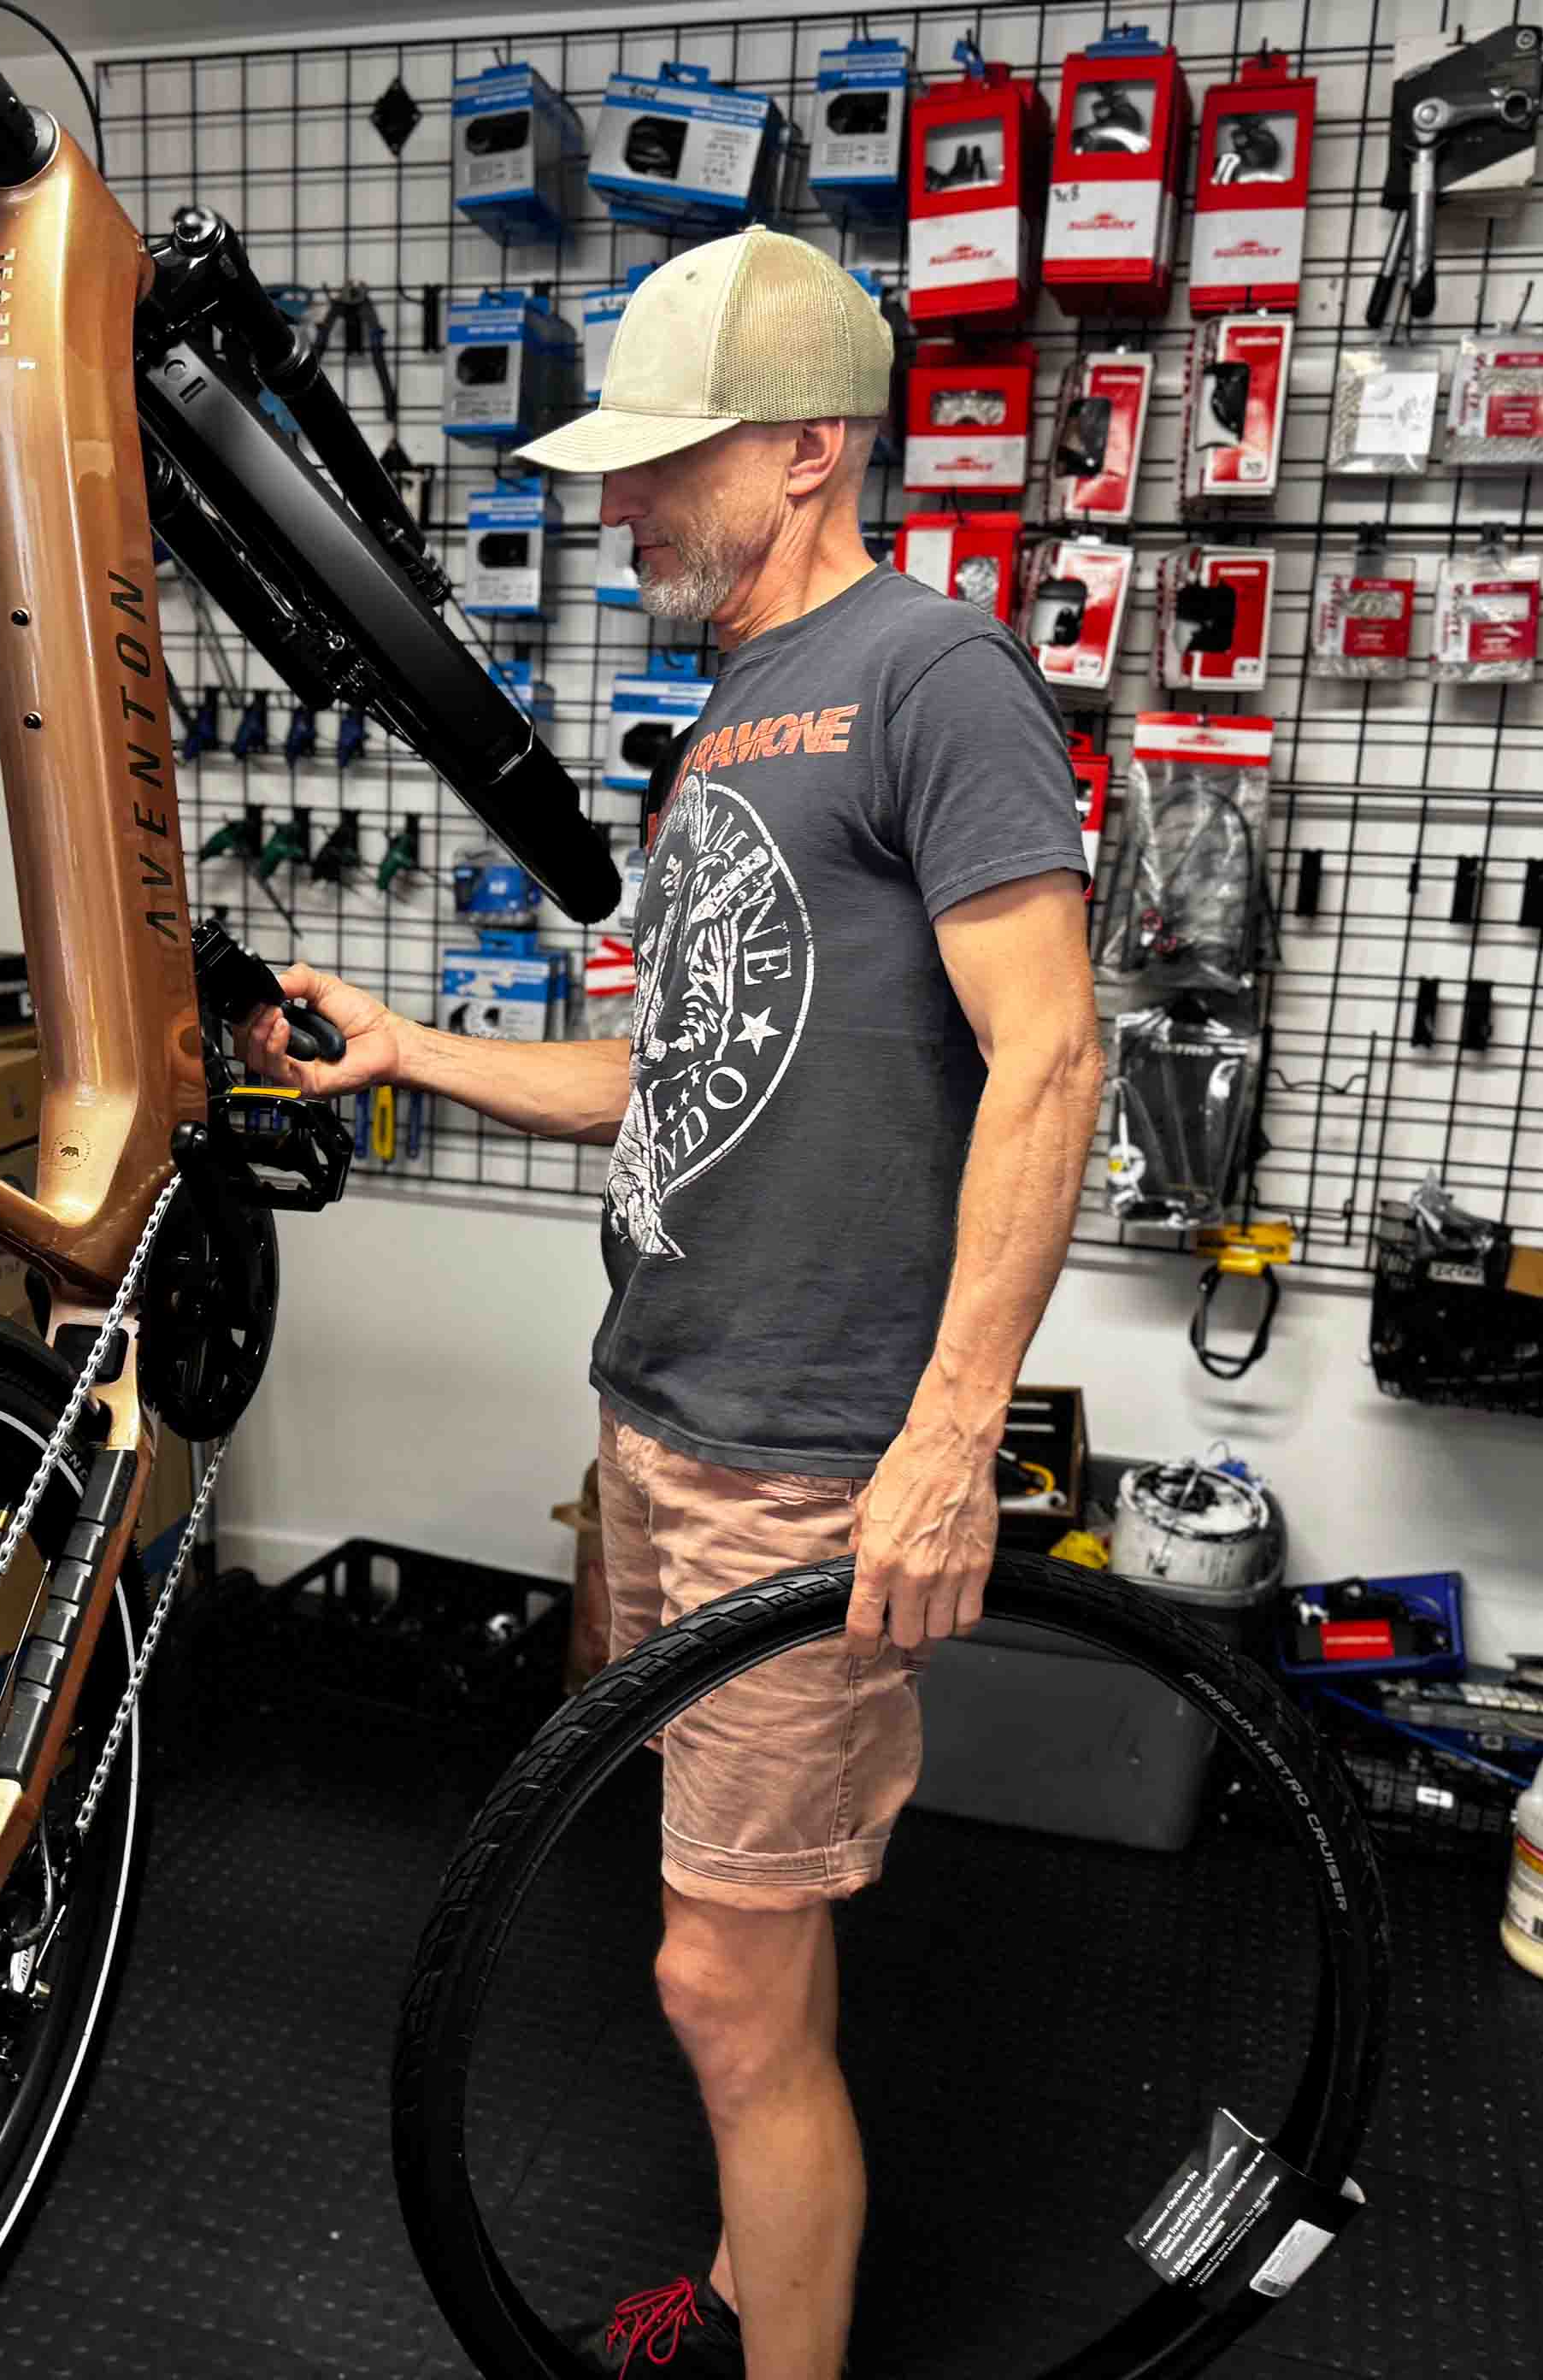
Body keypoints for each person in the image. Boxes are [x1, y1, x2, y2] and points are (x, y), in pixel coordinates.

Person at [246, 225, 1103, 2380]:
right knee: (743, 1940)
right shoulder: (728, 718)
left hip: (804, 1454)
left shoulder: (933, 675)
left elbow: (1051, 1060)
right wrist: (412, 1048)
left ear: (809, 448)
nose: (617, 502)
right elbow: (676, 1072)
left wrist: (947, 1441)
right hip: (659, 1410)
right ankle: (742, 2286)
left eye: (661, 461)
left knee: (716, 1980)